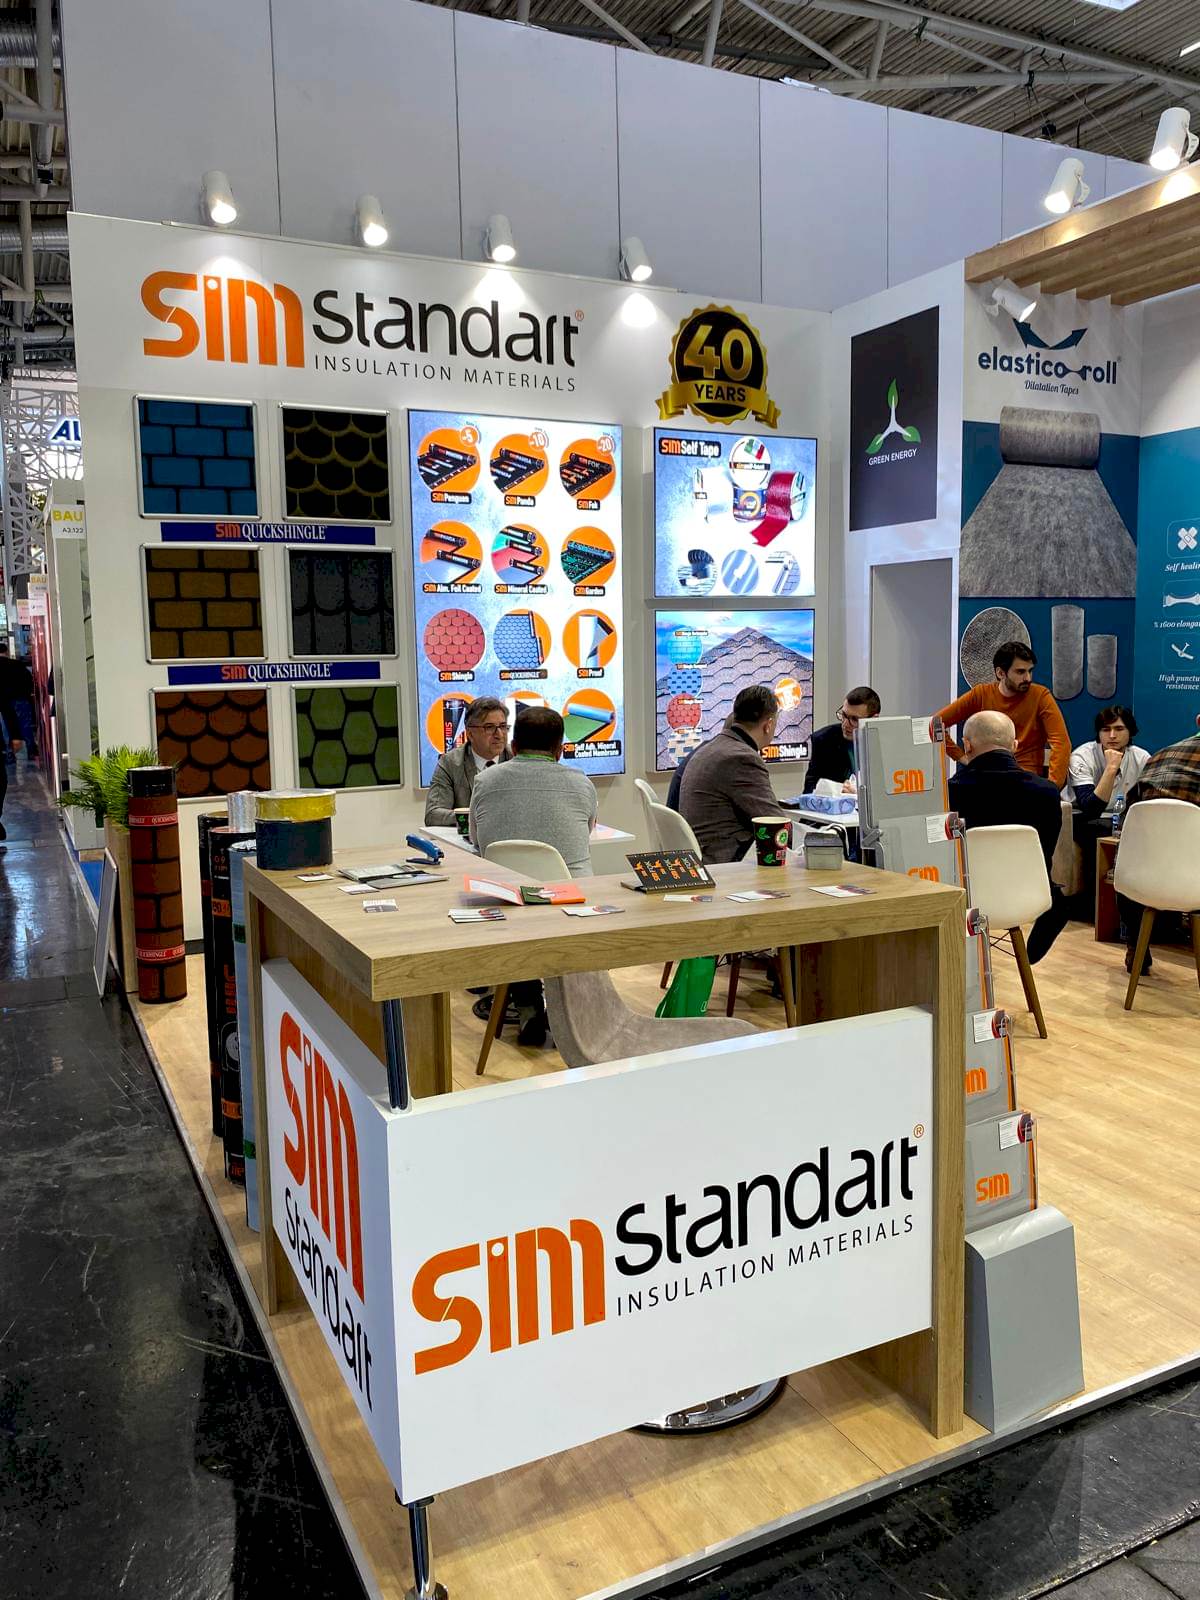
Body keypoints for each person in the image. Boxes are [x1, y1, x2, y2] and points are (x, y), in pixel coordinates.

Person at [470, 705, 598, 1045]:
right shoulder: (582, 783)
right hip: (573, 906)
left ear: (513, 745)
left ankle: (528, 1008)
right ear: (559, 750)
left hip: (507, 904)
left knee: (520, 915)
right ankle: (575, 1012)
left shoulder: (484, 781)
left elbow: (477, 841)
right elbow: (586, 833)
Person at [948, 710, 1071, 964]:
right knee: (1057, 896)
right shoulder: (1047, 792)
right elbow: (1045, 852)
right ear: (1014, 746)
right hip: (1030, 894)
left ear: (967, 745)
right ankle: (1026, 958)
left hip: (964, 897)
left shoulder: (949, 792)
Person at [1116, 718, 1200, 975]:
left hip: (1144, 881)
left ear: (1198, 720)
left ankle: (1136, 948)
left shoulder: (1159, 757)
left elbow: (1127, 823)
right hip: (1195, 882)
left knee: (1129, 856)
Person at [937, 642, 1070, 790]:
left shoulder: (1040, 696)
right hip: (983, 778)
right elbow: (934, 725)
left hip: (1024, 780)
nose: (1027, 678)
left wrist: (1052, 787)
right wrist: (961, 757)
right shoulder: (981, 694)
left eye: (1030, 671)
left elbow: (1061, 743)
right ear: (1001, 673)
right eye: (1020, 672)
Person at [677, 684, 781, 864]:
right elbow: (775, 824)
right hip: (724, 860)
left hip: (702, 856)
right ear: (768, 725)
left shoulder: (711, 748)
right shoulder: (742, 758)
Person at [423, 697, 510, 826]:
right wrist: (476, 817)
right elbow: (433, 815)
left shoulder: (516, 758)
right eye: (489, 727)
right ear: (470, 734)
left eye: (503, 726)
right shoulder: (450, 763)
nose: (499, 735)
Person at [1067, 706, 1149, 815]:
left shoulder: (1141, 757)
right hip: (1082, 817)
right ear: (1099, 733)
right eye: (1106, 730)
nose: (1112, 736)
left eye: (1119, 729)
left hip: (1123, 817)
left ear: (1130, 732)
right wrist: (1111, 768)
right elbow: (1091, 808)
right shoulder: (1081, 757)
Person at [802, 686, 881, 794]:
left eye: (854, 719)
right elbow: (809, 790)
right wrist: (839, 791)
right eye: (844, 715)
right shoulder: (823, 740)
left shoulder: (886, 743)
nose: (845, 724)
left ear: (874, 719)